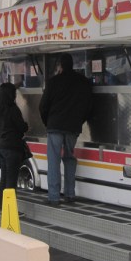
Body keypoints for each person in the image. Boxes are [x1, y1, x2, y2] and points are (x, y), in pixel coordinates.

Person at [39, 53, 92, 205]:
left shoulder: (53, 82)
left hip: (55, 126)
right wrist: (79, 121)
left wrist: (47, 122)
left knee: (54, 161)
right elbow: (89, 105)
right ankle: (70, 194)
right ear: (73, 65)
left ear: (60, 65)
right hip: (73, 127)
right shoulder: (83, 82)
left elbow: (43, 106)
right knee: (69, 159)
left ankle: (54, 197)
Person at [0, 82, 30, 210]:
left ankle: (2, 207)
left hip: (1, 145)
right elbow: (21, 127)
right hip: (12, 147)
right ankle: (10, 211)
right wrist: (26, 125)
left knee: (4, 179)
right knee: (11, 181)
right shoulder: (13, 109)